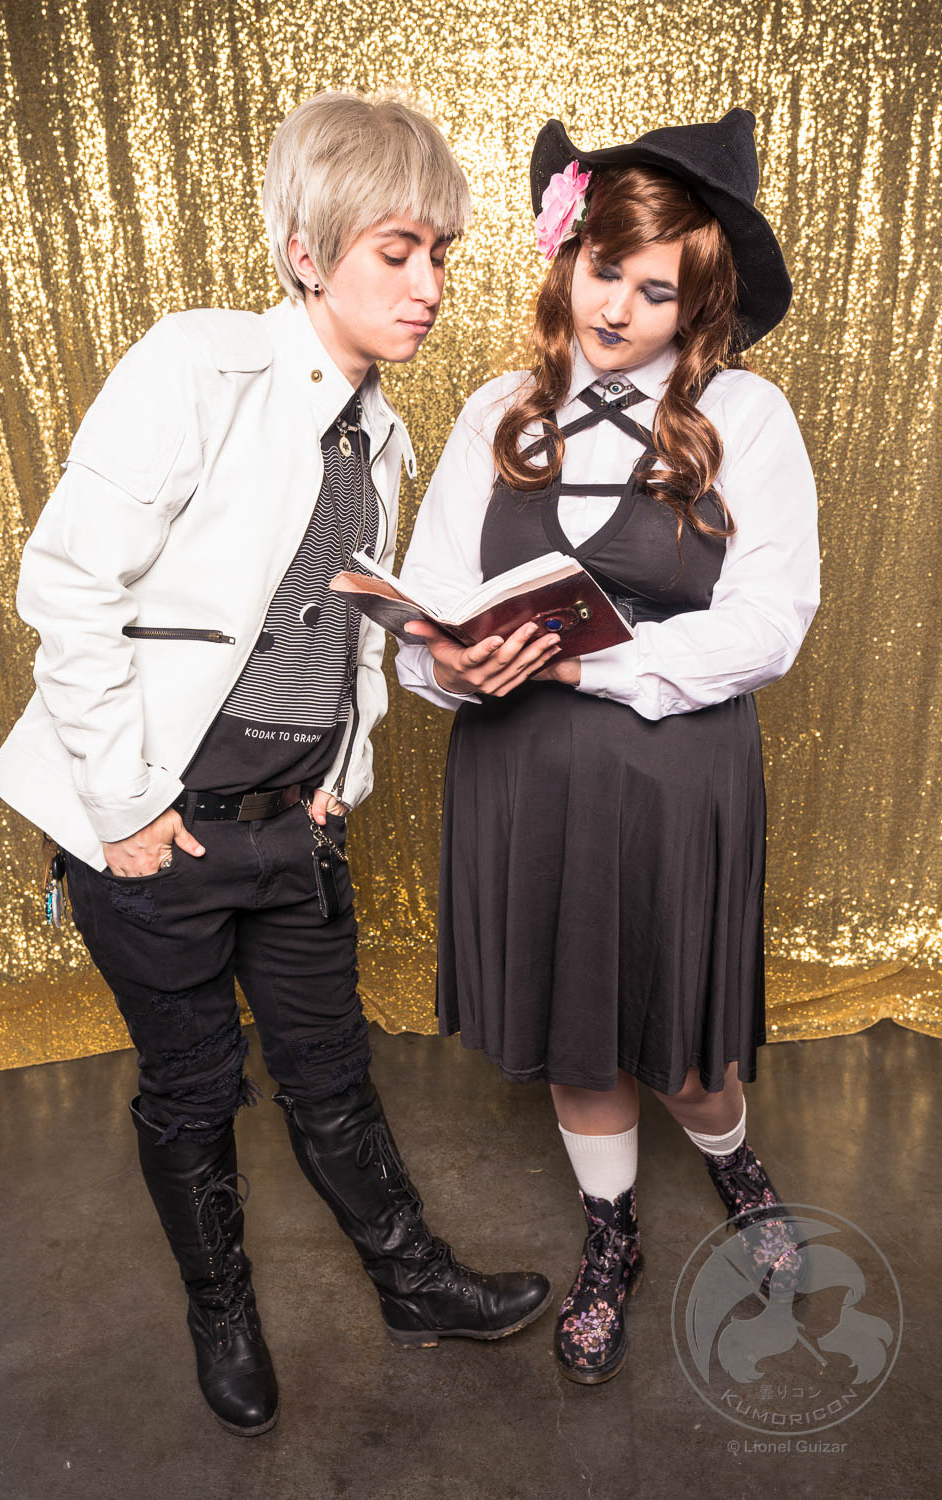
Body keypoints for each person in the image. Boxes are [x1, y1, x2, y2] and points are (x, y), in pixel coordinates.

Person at [0, 90, 550, 1437]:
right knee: (191, 1091)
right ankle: (221, 1314)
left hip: (292, 826)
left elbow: (338, 620)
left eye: (440, 254)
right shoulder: (199, 365)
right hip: (158, 830)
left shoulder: (380, 433)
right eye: (395, 253)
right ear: (307, 251)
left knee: (331, 1071)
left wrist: (345, 764)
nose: (427, 286)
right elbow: (66, 585)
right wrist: (123, 808)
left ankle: (411, 1284)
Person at [395, 109, 819, 1385]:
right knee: (577, 1036)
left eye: (655, 291)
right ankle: (611, 1239)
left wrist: (592, 664)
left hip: (674, 779)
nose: (617, 310)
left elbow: (771, 620)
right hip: (521, 778)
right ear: (566, 257)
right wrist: (443, 663)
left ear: (698, 306)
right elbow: (427, 599)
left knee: (680, 1050)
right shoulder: (496, 411)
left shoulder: (743, 413)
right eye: (602, 271)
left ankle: (732, 1163)